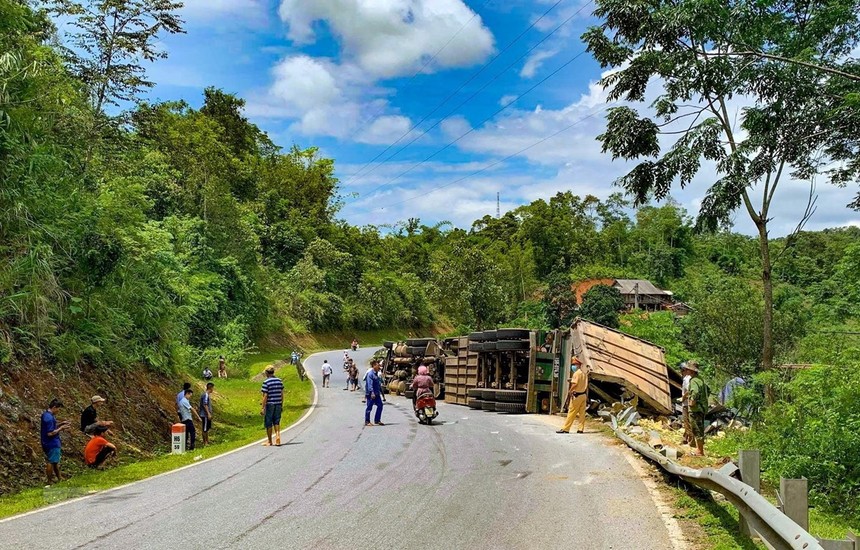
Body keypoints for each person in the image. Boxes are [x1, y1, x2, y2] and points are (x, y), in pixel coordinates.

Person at [41, 399, 71, 485]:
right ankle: (49, 481)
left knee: (54, 461)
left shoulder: (46, 415)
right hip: (52, 442)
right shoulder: (49, 418)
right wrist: (61, 428)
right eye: (58, 409)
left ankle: (59, 478)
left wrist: (61, 424)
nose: (58, 411)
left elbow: (51, 427)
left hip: (46, 442)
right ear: (54, 407)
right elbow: (50, 433)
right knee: (51, 461)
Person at [557, 357, 588, 434]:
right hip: (583, 395)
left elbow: (575, 384)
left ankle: (566, 428)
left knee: (571, 412)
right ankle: (581, 429)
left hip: (576, 396)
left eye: (574, 364)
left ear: (578, 365)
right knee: (582, 413)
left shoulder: (576, 373)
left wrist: (570, 391)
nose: (573, 366)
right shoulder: (584, 373)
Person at [686, 361, 709, 456]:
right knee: (700, 428)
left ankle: (700, 451)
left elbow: (694, 392)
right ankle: (699, 449)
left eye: (687, 369)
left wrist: (692, 402)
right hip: (701, 408)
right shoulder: (700, 379)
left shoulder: (694, 380)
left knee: (697, 429)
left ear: (691, 370)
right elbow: (708, 390)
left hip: (696, 409)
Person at [261, 366, 285, 446]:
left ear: (267, 373)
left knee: (268, 422)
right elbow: (282, 394)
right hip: (278, 403)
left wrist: (263, 407)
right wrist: (281, 404)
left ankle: (270, 441)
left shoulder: (266, 382)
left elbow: (265, 396)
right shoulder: (279, 381)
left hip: (270, 404)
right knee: (276, 421)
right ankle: (278, 436)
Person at [364, 361, 385, 427]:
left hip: (377, 393)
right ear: (374, 366)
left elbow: (378, 384)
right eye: (378, 365)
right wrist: (372, 393)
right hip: (371, 394)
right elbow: (370, 385)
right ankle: (367, 421)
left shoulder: (376, 374)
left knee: (380, 405)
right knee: (369, 407)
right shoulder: (370, 374)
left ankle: (377, 420)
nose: (379, 367)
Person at [680, 362, 693, 445]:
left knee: (687, 421)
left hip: (686, 404)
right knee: (687, 422)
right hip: (687, 403)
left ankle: (690, 440)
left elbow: (688, 391)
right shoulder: (689, 378)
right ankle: (685, 438)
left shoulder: (686, 379)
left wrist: (683, 398)